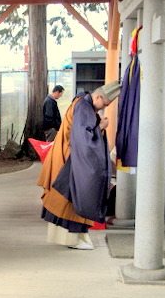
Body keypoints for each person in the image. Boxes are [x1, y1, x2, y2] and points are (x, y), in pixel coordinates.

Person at [37, 81, 120, 251]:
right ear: (97, 97)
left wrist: (97, 125)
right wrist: (101, 127)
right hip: (71, 160)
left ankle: (78, 236)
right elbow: (83, 137)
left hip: (69, 156)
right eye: (103, 104)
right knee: (71, 198)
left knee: (72, 198)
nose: (102, 109)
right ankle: (72, 239)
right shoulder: (84, 107)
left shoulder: (83, 103)